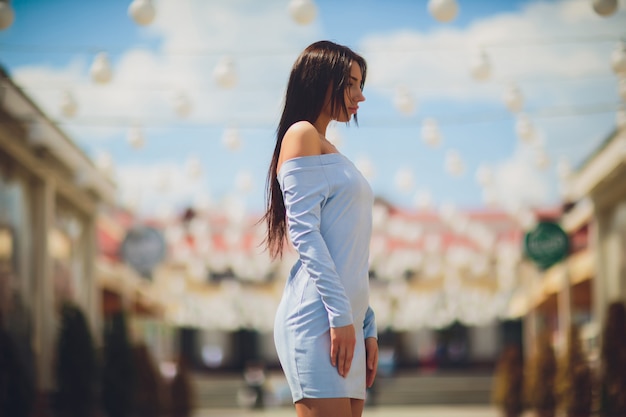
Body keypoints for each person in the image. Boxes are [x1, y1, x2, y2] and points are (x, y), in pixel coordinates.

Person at [262, 40, 378, 417]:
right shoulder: (301, 135)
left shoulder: (329, 147)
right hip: (320, 318)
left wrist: (367, 323)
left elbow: (351, 248)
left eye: (362, 85)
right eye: (351, 83)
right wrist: (342, 316)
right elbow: (306, 235)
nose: (360, 96)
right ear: (320, 79)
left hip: (347, 321)